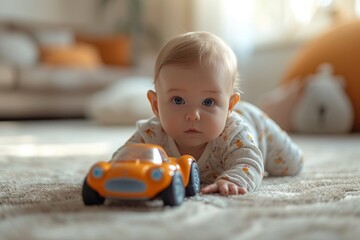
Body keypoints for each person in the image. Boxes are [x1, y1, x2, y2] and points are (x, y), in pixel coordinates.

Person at [113, 31, 303, 196]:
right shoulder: (152, 134)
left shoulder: (233, 134)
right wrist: (123, 169)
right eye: (178, 100)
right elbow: (124, 157)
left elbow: (249, 161)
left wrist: (235, 179)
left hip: (258, 126)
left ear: (229, 106)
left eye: (208, 102)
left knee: (291, 165)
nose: (193, 115)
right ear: (155, 105)